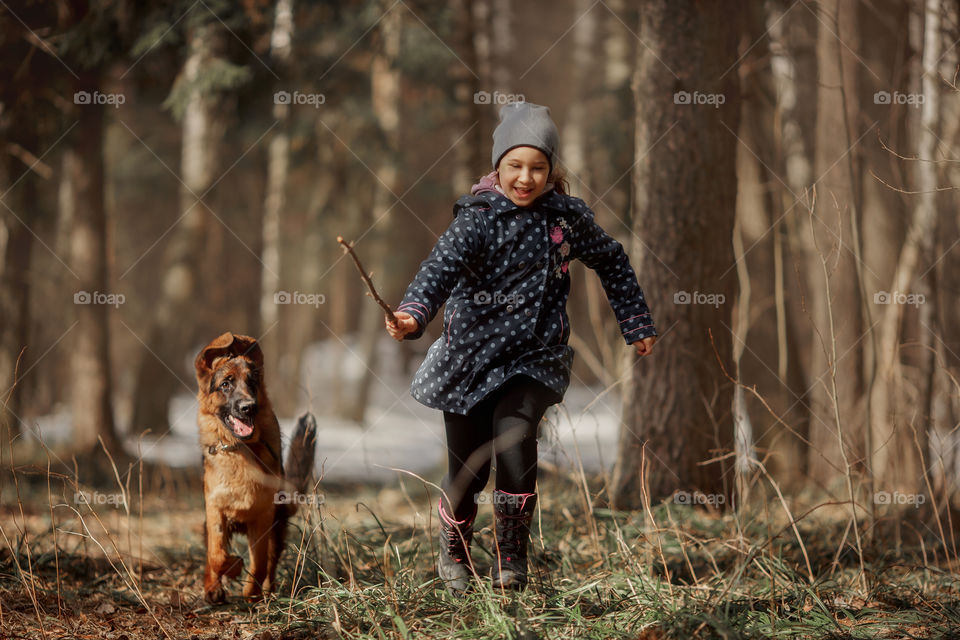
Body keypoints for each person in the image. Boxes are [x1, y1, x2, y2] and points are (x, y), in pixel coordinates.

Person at [385, 102, 656, 593]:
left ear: (553, 170)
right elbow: (439, 268)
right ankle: (456, 547)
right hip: (469, 361)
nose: (526, 178)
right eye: (516, 166)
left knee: (516, 442)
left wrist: (635, 322)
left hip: (533, 360)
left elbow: (612, 260)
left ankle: (512, 555)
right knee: (469, 469)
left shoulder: (566, 219)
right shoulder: (478, 218)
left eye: (538, 167)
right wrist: (414, 314)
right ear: (498, 166)